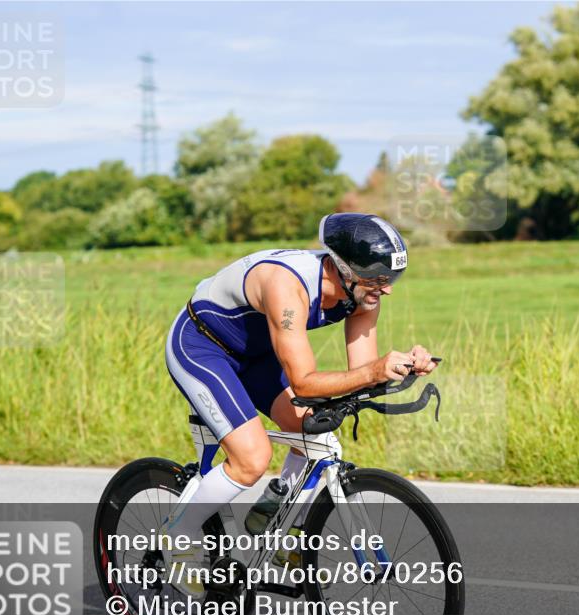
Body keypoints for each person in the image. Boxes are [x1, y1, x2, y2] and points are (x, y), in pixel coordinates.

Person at [162, 212, 438, 595]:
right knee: (251, 459)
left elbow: (360, 373)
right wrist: (374, 371)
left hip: (259, 356)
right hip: (203, 346)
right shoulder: (285, 287)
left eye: (392, 279)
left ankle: (276, 527)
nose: (386, 290)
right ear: (343, 268)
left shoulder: (363, 294)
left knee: (315, 433)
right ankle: (179, 533)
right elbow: (306, 381)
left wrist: (404, 365)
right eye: (378, 279)